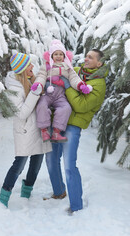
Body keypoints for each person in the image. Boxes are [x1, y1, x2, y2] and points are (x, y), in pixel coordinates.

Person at [45, 49, 107, 214]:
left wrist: (66, 84)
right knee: (51, 159)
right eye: (86, 56)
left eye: (90, 57)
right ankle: (59, 192)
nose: (86, 59)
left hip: (72, 125)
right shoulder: (76, 70)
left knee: (69, 165)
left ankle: (76, 205)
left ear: (99, 63)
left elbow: (81, 105)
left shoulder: (99, 84)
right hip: (57, 121)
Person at [0, 52, 52, 207]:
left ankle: (26, 194)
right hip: (25, 131)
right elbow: (21, 113)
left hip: (39, 129)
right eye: (29, 65)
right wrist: (35, 93)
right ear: (22, 69)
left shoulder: (30, 80)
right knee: (19, 165)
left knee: (36, 166)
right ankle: (3, 197)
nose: (32, 67)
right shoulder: (14, 88)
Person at [31, 39, 92, 143]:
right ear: (51, 56)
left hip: (60, 95)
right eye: (56, 54)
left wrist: (80, 85)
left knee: (66, 108)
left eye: (61, 54)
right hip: (48, 92)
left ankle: (56, 132)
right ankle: (44, 130)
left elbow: (73, 78)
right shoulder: (46, 66)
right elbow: (41, 76)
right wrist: (39, 84)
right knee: (41, 105)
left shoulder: (67, 67)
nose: (58, 56)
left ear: (64, 56)